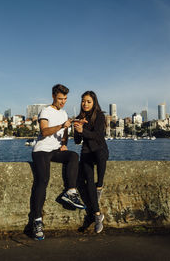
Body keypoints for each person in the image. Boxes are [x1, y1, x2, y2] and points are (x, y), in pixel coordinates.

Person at [30, 84, 85, 241]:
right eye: (60, 98)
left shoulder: (64, 113)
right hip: (41, 151)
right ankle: (37, 221)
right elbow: (44, 131)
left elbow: (65, 132)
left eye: (65, 99)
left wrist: (64, 143)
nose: (63, 102)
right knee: (42, 181)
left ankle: (71, 192)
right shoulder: (46, 111)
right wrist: (62, 125)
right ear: (53, 96)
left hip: (55, 151)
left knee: (73, 156)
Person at [74, 91, 109, 233]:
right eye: (83, 101)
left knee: (100, 154)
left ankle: (99, 186)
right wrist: (77, 129)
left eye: (88, 101)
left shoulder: (99, 116)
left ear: (94, 102)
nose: (85, 104)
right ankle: (97, 215)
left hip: (100, 150)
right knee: (88, 180)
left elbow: (98, 136)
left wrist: (84, 130)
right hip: (86, 152)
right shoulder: (79, 118)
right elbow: (77, 141)